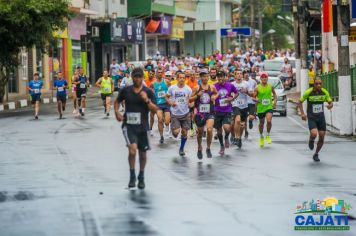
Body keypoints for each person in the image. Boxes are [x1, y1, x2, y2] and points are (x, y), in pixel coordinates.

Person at [114, 67, 158, 189]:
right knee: (132, 150)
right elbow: (117, 101)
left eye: (140, 77)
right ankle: (132, 175)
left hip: (143, 127)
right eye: (135, 76)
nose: (137, 79)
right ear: (132, 77)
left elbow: (155, 109)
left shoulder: (148, 92)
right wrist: (117, 112)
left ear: (142, 78)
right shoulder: (126, 90)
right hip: (129, 126)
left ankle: (141, 176)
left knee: (143, 154)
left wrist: (147, 100)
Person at [298, 77, 333, 162]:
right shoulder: (309, 92)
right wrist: (302, 113)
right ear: (314, 84)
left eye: (320, 83)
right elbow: (299, 102)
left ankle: (316, 154)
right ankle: (311, 139)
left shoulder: (324, 92)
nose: (319, 85)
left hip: (321, 117)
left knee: (321, 137)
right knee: (314, 134)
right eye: (317, 84)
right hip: (312, 117)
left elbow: (330, 102)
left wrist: (330, 105)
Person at [190, 69, 218, 159]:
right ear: (200, 77)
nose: (205, 78)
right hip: (200, 113)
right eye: (203, 76)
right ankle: (199, 147)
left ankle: (208, 148)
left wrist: (214, 96)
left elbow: (216, 94)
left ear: (208, 76)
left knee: (209, 130)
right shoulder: (196, 88)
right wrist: (197, 95)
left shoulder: (212, 87)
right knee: (200, 133)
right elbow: (190, 99)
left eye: (206, 76)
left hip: (210, 112)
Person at [166, 71, 192, 156]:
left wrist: (190, 104)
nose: (181, 79)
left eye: (183, 78)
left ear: (185, 79)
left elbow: (191, 100)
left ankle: (181, 148)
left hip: (185, 113)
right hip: (175, 114)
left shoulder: (188, 89)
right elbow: (166, 97)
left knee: (184, 132)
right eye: (180, 77)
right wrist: (170, 103)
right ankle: (173, 129)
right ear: (177, 78)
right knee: (176, 133)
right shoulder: (172, 88)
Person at [213, 70, 238, 155]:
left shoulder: (230, 85)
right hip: (217, 110)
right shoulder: (214, 86)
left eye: (222, 76)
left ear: (225, 77)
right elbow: (211, 96)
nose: (220, 78)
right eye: (218, 76)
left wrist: (232, 98)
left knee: (227, 128)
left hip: (227, 110)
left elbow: (237, 93)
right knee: (219, 132)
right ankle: (221, 146)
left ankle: (226, 137)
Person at [254, 72, 277, 148]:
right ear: (260, 79)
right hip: (261, 108)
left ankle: (267, 134)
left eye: (265, 77)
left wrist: (275, 102)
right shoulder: (257, 87)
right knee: (261, 123)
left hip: (268, 107)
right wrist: (256, 99)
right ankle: (261, 136)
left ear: (267, 78)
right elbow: (254, 97)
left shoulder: (270, 86)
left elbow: (275, 95)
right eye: (263, 77)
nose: (264, 78)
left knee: (269, 120)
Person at [231, 70, 249, 148]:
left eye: (240, 74)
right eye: (237, 74)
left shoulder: (246, 84)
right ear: (235, 76)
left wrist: (246, 91)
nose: (239, 75)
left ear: (242, 75)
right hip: (235, 105)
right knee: (237, 121)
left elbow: (252, 93)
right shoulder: (232, 84)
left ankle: (239, 138)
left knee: (242, 125)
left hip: (244, 106)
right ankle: (236, 137)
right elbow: (228, 94)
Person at [152, 67, 170, 144]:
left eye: (161, 72)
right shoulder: (153, 84)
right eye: (158, 72)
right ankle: (161, 136)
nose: (160, 74)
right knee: (159, 119)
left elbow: (171, 91)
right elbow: (152, 94)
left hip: (166, 104)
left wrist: (169, 97)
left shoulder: (167, 82)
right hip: (158, 104)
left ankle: (166, 125)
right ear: (156, 74)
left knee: (166, 122)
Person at [244, 70, 257, 138]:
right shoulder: (242, 82)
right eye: (245, 74)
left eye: (247, 74)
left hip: (251, 102)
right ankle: (246, 131)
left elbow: (256, 89)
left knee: (251, 117)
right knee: (244, 119)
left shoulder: (253, 81)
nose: (246, 75)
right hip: (244, 103)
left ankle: (250, 121)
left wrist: (254, 95)